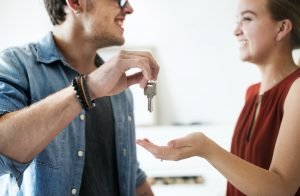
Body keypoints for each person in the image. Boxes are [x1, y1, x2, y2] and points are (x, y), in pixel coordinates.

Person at [137, 0, 300, 195]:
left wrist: (205, 148)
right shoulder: (252, 93)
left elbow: (280, 189)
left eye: (247, 19)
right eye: (237, 21)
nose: (236, 31)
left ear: (282, 28)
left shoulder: (296, 90)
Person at [0, 0, 159, 195]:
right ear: (75, 3)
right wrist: (86, 89)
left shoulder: (121, 89)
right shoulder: (15, 65)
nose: (128, 8)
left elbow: (131, 175)